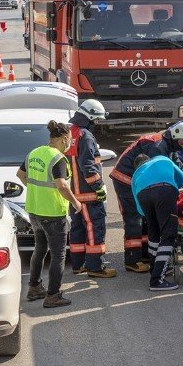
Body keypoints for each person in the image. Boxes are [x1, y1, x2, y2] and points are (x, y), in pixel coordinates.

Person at [110, 122, 183, 273]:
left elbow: (177, 166)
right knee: (134, 218)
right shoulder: (156, 147)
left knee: (147, 216)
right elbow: (157, 176)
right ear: (175, 136)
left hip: (139, 180)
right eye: (182, 143)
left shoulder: (168, 145)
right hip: (126, 180)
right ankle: (132, 260)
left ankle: (145, 253)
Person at [17, 120, 80, 308]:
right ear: (64, 138)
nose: (70, 143)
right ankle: (52, 295)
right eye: (70, 139)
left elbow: (20, 175)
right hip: (52, 213)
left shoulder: (34, 153)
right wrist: (76, 202)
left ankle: (34, 287)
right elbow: (62, 185)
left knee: (40, 249)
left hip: (34, 211)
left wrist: (36, 190)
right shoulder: (58, 158)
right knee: (58, 255)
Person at [66, 99, 116, 278]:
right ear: (89, 117)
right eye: (95, 120)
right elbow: (88, 165)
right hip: (88, 194)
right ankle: (95, 268)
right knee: (95, 228)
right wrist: (99, 187)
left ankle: (78, 265)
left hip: (73, 194)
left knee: (78, 229)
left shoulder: (70, 132)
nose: (96, 124)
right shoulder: (85, 135)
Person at [132, 153, 183, 291]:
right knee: (168, 235)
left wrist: (153, 215)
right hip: (165, 189)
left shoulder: (136, 175)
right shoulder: (162, 159)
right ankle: (157, 280)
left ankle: (155, 268)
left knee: (154, 233)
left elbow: (139, 209)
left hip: (143, 194)